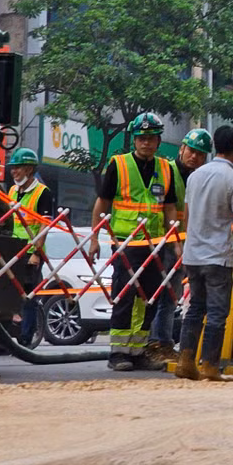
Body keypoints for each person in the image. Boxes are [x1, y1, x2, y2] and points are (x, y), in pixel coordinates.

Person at [88, 113, 178, 372]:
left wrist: (174, 240)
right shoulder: (119, 165)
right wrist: (94, 238)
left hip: (156, 244)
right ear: (134, 140)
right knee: (125, 295)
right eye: (141, 138)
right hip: (126, 242)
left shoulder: (166, 168)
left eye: (150, 138)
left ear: (159, 140)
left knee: (148, 298)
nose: (146, 143)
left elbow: (169, 207)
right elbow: (102, 204)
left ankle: (138, 351)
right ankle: (118, 352)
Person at [175, 126, 233, 382]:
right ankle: (210, 365)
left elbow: (187, 217)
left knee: (194, 309)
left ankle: (186, 361)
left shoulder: (195, 176)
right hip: (218, 256)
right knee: (217, 313)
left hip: (193, 254)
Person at [145, 127, 214, 365]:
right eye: (192, 151)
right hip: (165, 241)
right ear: (182, 148)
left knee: (172, 295)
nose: (194, 157)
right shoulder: (168, 170)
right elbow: (166, 209)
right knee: (163, 293)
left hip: (186, 243)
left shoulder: (200, 177)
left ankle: (163, 342)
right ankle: (157, 342)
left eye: (200, 154)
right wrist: (176, 242)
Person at [0, 148, 53, 355]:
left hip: (30, 252)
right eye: (13, 169)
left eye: (18, 168)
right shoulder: (12, 191)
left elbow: (44, 226)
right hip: (11, 249)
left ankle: (24, 339)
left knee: (27, 297)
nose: (14, 172)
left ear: (30, 169)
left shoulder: (43, 193)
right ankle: (2, 341)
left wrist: (37, 253)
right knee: (4, 295)